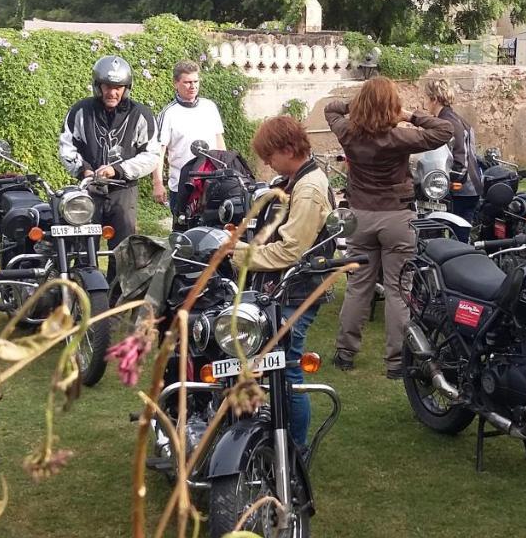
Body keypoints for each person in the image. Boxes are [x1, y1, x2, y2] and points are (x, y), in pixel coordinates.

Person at [327, 77, 453, 378]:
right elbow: (444, 130)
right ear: (391, 106)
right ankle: (397, 362)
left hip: (360, 216)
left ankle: (345, 353)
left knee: (359, 287)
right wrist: (408, 115)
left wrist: (353, 106)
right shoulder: (400, 136)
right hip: (396, 217)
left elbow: (331, 110)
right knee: (399, 290)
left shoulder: (348, 133)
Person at [232, 116, 334, 447]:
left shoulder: (308, 189)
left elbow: (291, 251)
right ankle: (273, 440)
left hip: (298, 291)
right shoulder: (297, 179)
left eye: (269, 155)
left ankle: (295, 452)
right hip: (287, 289)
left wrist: (237, 253)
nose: (266, 162)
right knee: (270, 366)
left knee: (287, 371)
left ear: (288, 149)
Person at [58, 55, 162, 277]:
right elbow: (66, 147)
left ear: (126, 88)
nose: (112, 92)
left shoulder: (141, 114)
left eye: (118, 87)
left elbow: (152, 154)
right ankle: (85, 294)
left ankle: (118, 299)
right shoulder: (80, 111)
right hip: (88, 189)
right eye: (107, 86)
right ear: (98, 86)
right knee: (84, 244)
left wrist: (118, 170)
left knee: (124, 249)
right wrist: (83, 169)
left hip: (123, 190)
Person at [152, 60, 226, 218]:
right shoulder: (169, 114)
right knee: (183, 235)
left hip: (211, 182)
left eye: (195, 81)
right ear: (176, 83)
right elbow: (159, 151)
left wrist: (225, 172)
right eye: (187, 82)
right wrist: (157, 183)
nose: (192, 86)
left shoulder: (209, 107)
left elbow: (219, 142)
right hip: (182, 186)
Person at [423, 78, 483, 240]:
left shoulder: (447, 122)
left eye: (426, 99)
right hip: (471, 186)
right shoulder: (456, 118)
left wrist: (447, 184)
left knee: (457, 238)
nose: (424, 103)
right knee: (457, 235)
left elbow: (460, 159)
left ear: (434, 99)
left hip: (463, 189)